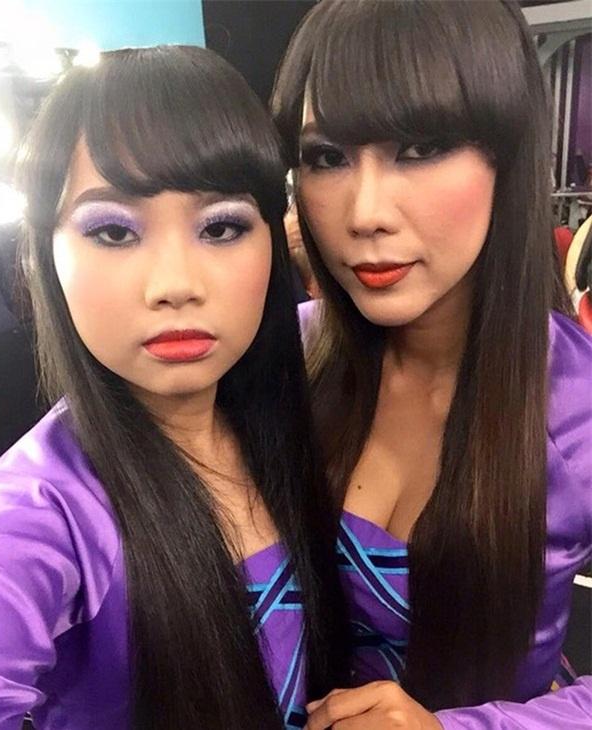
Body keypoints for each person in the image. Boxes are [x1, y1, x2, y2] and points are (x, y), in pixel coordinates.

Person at [0, 46, 348, 730]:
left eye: (221, 227)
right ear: (46, 253)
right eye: (113, 231)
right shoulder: (38, 512)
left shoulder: (297, 400)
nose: (175, 284)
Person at [272, 1, 592, 727]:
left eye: (420, 148)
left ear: (506, 156)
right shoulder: (282, 358)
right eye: (327, 157)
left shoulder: (577, 404)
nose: (364, 212)